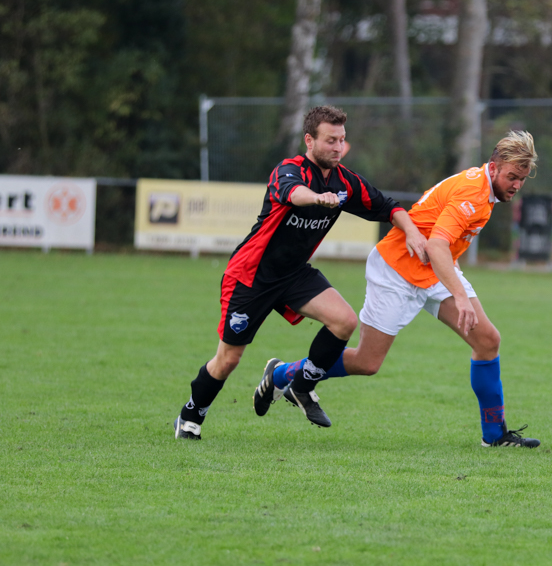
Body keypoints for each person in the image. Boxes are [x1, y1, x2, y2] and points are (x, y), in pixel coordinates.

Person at [256, 130, 541, 448]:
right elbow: (437, 245)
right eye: (512, 177)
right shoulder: (472, 192)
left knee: (487, 340)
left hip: (432, 269)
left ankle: (495, 436)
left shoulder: (484, 188)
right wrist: (460, 297)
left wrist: (455, 278)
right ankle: (281, 374)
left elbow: (441, 239)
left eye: (522, 179)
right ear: (494, 167)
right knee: (367, 362)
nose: (516, 185)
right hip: (396, 270)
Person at [175, 105, 428, 439]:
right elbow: (292, 193)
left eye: (342, 140)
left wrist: (412, 232)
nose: (338, 147)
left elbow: (388, 206)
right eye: (330, 141)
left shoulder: (345, 182)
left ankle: (302, 385)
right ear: (309, 141)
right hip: (251, 275)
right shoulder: (289, 169)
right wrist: (317, 199)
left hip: (294, 274)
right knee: (228, 360)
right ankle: (191, 415)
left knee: (344, 321)